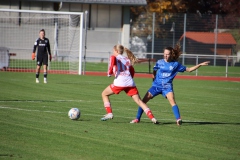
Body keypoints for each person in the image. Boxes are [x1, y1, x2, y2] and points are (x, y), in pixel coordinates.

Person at [130, 44, 210, 125]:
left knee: (172, 102)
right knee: (143, 101)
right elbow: (154, 70)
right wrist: (153, 79)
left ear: (171, 54)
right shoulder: (159, 62)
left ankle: (178, 119)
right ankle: (137, 119)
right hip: (156, 86)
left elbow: (189, 69)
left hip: (167, 87)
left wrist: (199, 65)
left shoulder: (175, 64)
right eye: (164, 54)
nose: (165, 56)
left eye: (167, 54)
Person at [101, 44, 159, 124]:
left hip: (120, 82)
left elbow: (112, 60)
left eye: (113, 51)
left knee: (104, 94)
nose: (113, 52)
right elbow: (132, 70)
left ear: (117, 51)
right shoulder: (127, 59)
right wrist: (129, 79)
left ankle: (109, 113)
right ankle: (152, 118)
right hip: (130, 82)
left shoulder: (114, 57)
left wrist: (109, 73)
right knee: (139, 101)